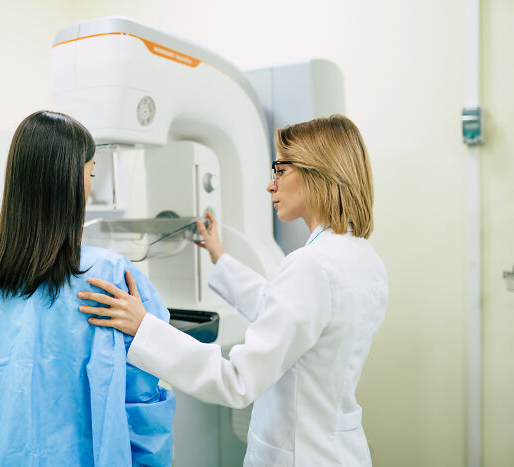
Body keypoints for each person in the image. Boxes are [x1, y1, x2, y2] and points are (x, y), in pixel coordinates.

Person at [79, 115, 389, 466]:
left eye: (280, 171)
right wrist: (219, 256)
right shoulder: (362, 258)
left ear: (315, 171)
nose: (270, 186)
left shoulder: (311, 266)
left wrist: (144, 329)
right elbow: (288, 316)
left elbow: (237, 380)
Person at [0, 110, 175, 466]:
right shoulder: (109, 277)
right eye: (90, 174)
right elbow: (142, 398)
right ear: (69, 183)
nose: (90, 186)